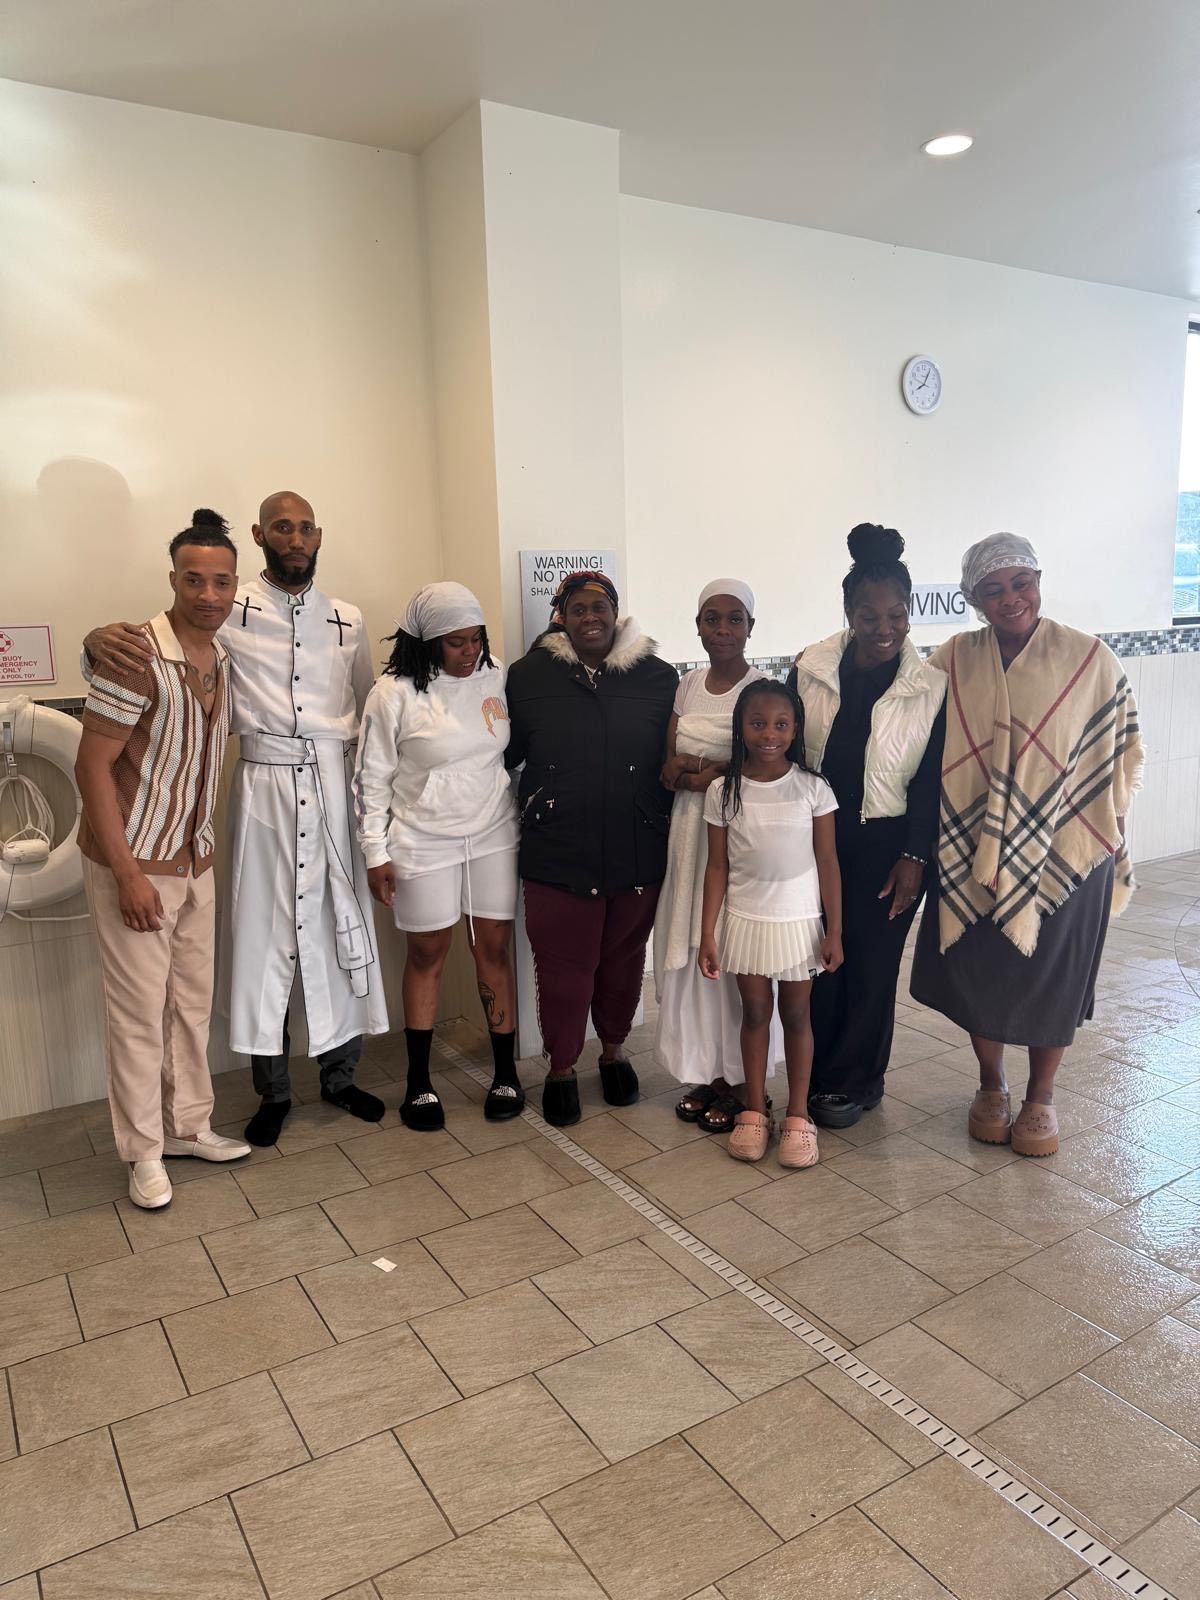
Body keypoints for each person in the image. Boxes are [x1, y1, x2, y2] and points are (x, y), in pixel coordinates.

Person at [83, 491, 388, 1147]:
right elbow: (162, 640)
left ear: (319, 536)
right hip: (263, 789)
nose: (296, 537)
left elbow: (368, 708)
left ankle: (340, 1077)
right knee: (263, 936)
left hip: (333, 785)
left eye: (307, 527)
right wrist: (92, 640)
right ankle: (272, 1091)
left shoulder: (348, 618)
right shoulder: (230, 607)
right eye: (283, 527)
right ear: (260, 534)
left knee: (340, 925)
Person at [910, 533, 1144, 1157]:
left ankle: (1041, 1096)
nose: (1011, 597)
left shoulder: (1090, 659)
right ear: (974, 599)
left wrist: (1100, 822)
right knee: (979, 971)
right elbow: (916, 736)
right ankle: (992, 1084)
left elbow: (1116, 749)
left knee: (1054, 975)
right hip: (971, 851)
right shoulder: (955, 658)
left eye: (1021, 582)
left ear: (1038, 580)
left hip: (1066, 845)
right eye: (994, 588)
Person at [75, 510, 251, 1210]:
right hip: (138, 864)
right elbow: (92, 769)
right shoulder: (135, 656)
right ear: (172, 579)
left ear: (235, 585)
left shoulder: (223, 657)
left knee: (190, 1008)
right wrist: (125, 875)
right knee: (138, 1015)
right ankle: (143, 1153)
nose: (208, 593)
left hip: (195, 859)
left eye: (221, 581)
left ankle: (187, 1127)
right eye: (194, 579)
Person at [788, 524, 947, 1129]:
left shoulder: (931, 687)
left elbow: (931, 778)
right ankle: (821, 1073)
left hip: (890, 844)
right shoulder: (812, 668)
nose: (885, 628)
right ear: (849, 613)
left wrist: (916, 856)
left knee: (872, 964)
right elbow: (787, 744)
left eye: (897, 615)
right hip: (817, 837)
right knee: (823, 956)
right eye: (870, 615)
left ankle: (853, 1081)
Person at [505, 570, 678, 1127]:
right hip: (557, 850)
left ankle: (614, 1050)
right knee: (563, 968)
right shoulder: (528, 676)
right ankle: (561, 1068)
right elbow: (499, 755)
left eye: (599, 607)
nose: (590, 618)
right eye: (578, 608)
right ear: (562, 615)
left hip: (637, 846)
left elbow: (677, 753)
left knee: (623, 961)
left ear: (616, 612)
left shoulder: (657, 677)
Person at [354, 582, 520, 1128]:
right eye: (455, 642)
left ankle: (505, 1073)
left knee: (494, 947)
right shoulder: (393, 693)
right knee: (427, 953)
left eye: (475, 639)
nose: (469, 651)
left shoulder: (495, 677)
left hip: (493, 832)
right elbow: (371, 780)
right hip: (422, 839)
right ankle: (419, 1082)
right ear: (426, 643)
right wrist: (375, 852)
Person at [655, 580, 783, 1132]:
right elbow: (668, 767)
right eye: (713, 619)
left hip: (739, 833)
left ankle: (743, 1081)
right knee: (696, 952)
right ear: (699, 625)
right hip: (687, 834)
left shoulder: (762, 689)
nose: (723, 630)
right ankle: (709, 1071)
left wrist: (700, 771)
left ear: (751, 627)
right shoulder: (685, 686)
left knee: (736, 955)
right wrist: (699, 770)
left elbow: (759, 761)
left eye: (735, 619)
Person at [698, 679, 842, 1166]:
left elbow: (827, 861)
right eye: (757, 723)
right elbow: (716, 866)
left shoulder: (813, 788)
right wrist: (707, 934)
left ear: (796, 728)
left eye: (781, 724)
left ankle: (799, 1117)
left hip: (799, 920)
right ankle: (754, 1110)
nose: (769, 734)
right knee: (755, 1013)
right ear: (740, 727)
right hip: (745, 918)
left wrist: (834, 929)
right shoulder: (723, 790)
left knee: (797, 1016)